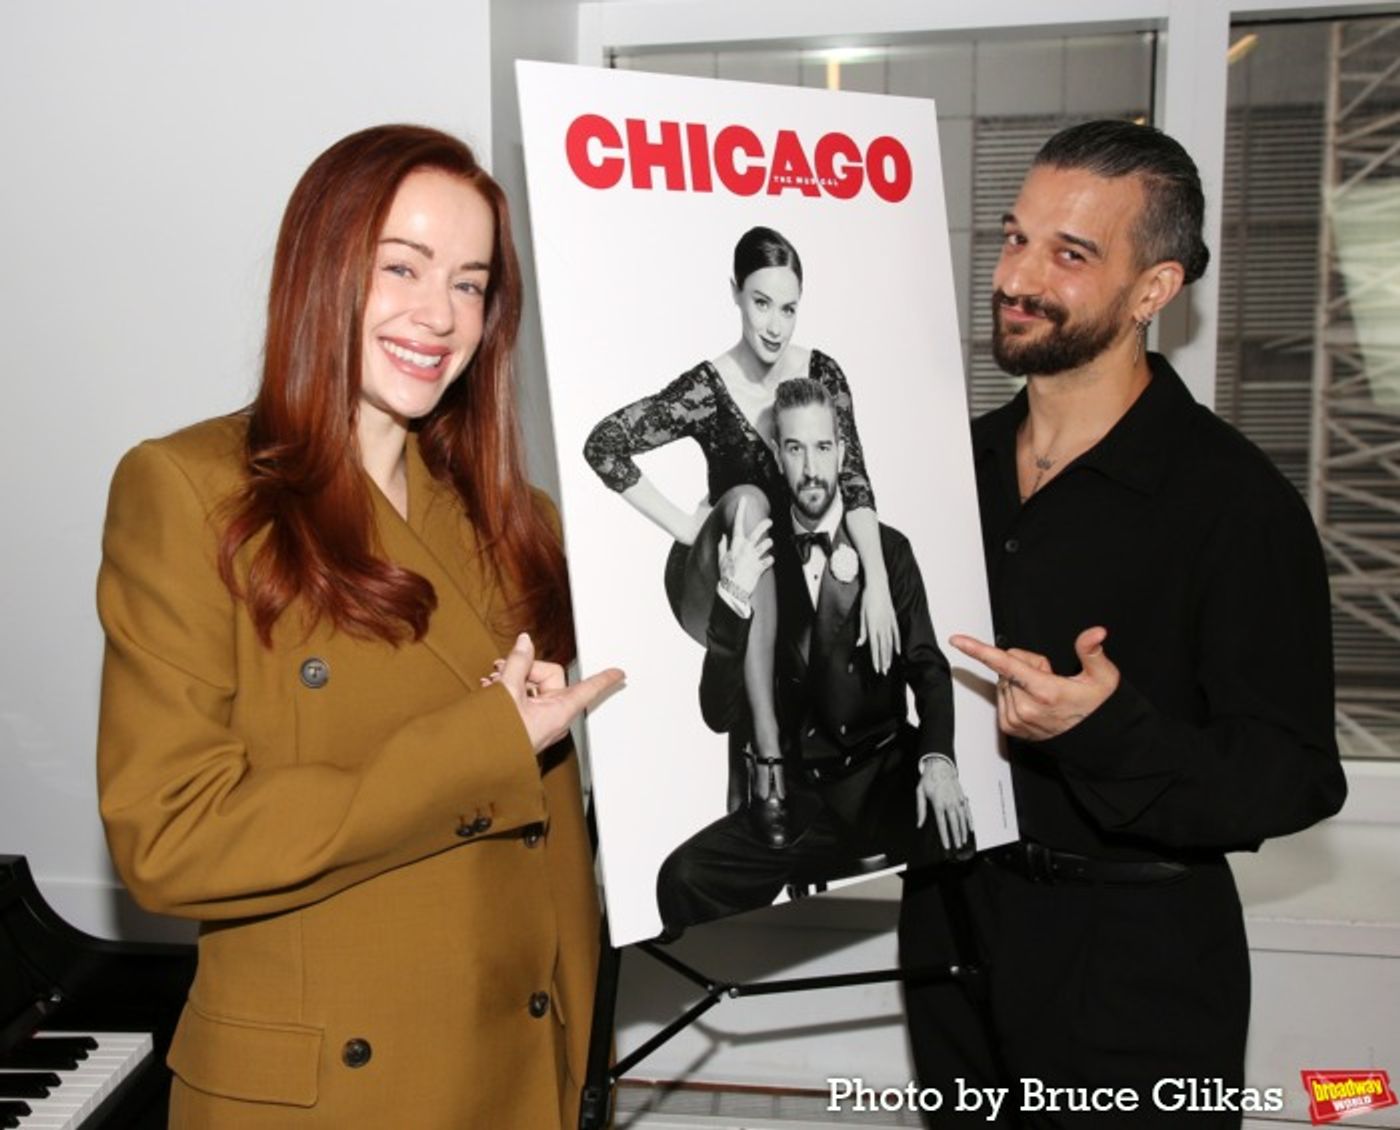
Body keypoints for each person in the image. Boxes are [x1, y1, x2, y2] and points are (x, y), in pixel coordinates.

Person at [96, 125, 623, 1129]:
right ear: (321, 266)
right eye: (402, 268)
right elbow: (168, 839)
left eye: (470, 284)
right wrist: (481, 745)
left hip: (511, 1074)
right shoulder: (192, 493)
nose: (440, 315)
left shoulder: (516, 522)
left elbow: (547, 843)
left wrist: (576, 1069)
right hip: (320, 1096)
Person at [899, 120, 1347, 1128]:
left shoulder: (1233, 503)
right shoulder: (943, 470)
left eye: (1069, 253)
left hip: (1134, 959)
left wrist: (1106, 732)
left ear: (1154, 289)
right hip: (951, 931)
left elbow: (1294, 772)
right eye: (1014, 238)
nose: (1016, 277)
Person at [584, 227, 897, 845]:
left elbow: (853, 478)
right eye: (760, 302)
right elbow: (604, 444)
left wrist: (880, 582)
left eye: (788, 307)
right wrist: (691, 527)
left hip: (780, 577)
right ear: (734, 294)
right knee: (751, 502)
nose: (775, 324)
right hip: (715, 580)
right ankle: (768, 757)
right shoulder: (707, 388)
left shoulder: (821, 373)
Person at [656, 378, 970, 933]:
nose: (811, 468)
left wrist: (938, 761)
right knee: (682, 876)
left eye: (823, 448)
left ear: (842, 453)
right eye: (795, 449)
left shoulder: (887, 552)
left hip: (887, 783)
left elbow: (928, 669)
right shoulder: (759, 553)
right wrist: (733, 597)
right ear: (778, 455)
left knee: (956, 839)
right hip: (802, 804)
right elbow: (716, 713)